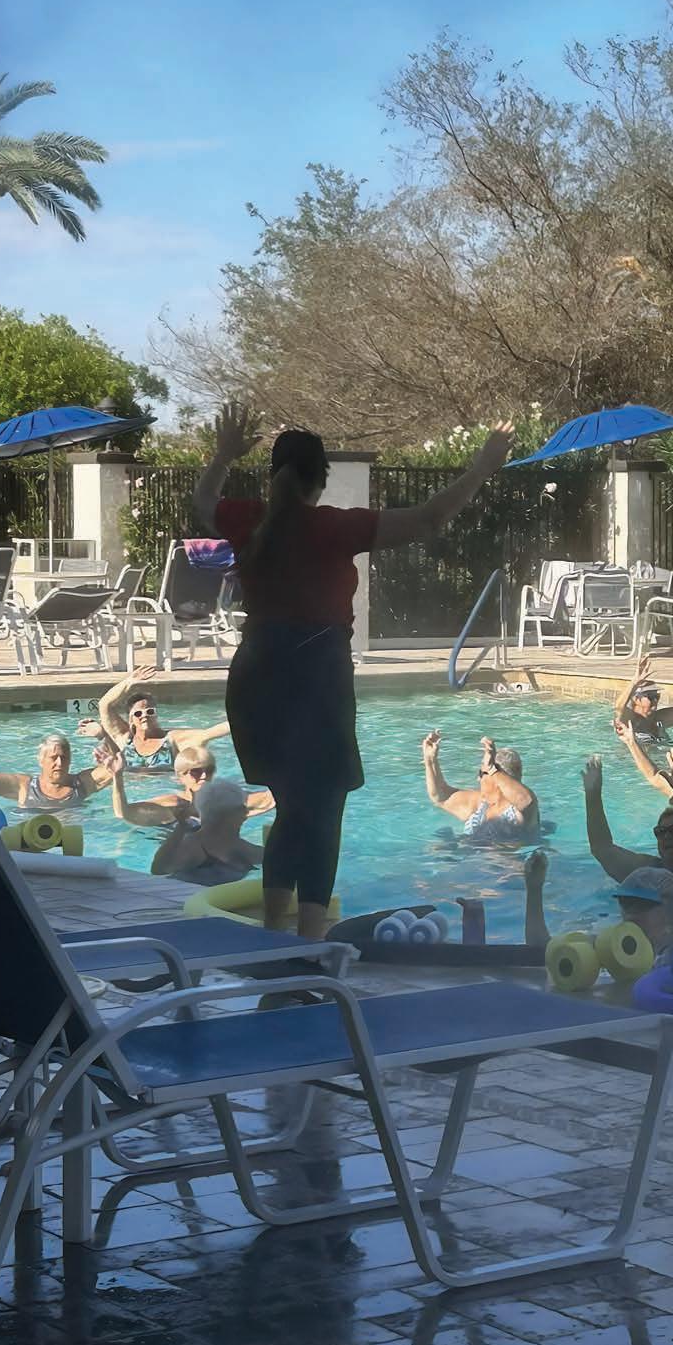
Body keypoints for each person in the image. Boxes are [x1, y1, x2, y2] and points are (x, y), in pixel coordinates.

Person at [195, 399, 513, 940]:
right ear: (321, 479)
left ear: (273, 475)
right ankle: (310, 937)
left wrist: (224, 454)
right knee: (323, 810)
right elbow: (430, 518)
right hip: (314, 678)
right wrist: (483, 466)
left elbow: (203, 504)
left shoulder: (248, 519)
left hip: (255, 678)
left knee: (291, 808)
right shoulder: (333, 528)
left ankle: (273, 930)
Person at [583, 751, 673, 920]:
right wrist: (592, 795)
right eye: (660, 832)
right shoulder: (651, 872)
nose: (667, 836)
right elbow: (602, 848)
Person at [522, 849, 673, 968]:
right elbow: (544, 950)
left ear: (667, 910)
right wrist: (534, 888)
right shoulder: (611, 945)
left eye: (642, 905)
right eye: (626, 902)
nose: (631, 914)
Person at [97, 665, 233, 772]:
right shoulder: (124, 738)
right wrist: (129, 681)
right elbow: (104, 705)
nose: (144, 715)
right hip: (130, 791)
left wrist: (242, 719)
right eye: (138, 713)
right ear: (131, 719)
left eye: (150, 711)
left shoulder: (171, 740)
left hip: (164, 789)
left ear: (156, 715)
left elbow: (208, 733)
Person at [107, 747, 273, 829]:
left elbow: (271, 799)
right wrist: (117, 776)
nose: (203, 776)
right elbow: (123, 813)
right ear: (181, 776)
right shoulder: (173, 805)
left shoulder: (227, 800)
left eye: (209, 770)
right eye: (196, 771)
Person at [421, 730, 539, 844]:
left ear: (497, 779)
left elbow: (526, 801)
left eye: (481, 773)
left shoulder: (519, 813)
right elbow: (441, 797)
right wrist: (430, 761)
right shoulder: (480, 803)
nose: (478, 778)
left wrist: (491, 769)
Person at [151, 778, 264, 888]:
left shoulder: (241, 848)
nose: (246, 812)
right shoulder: (193, 846)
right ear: (225, 814)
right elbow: (159, 870)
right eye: (242, 808)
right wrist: (181, 827)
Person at [0, 733, 114, 810]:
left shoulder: (82, 783)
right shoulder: (24, 786)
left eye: (64, 758)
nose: (59, 763)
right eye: (53, 758)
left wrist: (103, 734)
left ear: (70, 760)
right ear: (41, 760)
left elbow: (116, 767)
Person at [614, 653, 673, 747]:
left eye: (657, 696)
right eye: (650, 696)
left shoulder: (659, 718)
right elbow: (619, 707)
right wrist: (634, 681)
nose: (655, 700)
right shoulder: (629, 721)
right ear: (636, 699)